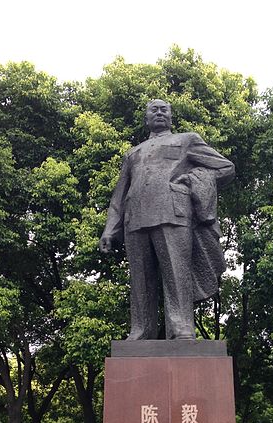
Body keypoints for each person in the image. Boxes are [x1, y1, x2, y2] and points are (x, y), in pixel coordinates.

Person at [100, 99, 235, 340]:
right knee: (140, 280)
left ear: (171, 117)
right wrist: (110, 229)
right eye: (154, 109)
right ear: (146, 118)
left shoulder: (186, 140)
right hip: (136, 218)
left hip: (173, 212)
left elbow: (225, 168)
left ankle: (181, 327)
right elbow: (119, 196)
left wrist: (193, 179)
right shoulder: (133, 153)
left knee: (176, 272)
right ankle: (141, 330)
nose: (160, 112)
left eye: (165, 109)